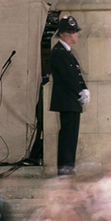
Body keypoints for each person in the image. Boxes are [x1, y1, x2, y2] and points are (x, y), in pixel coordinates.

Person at [46, 16, 89, 174]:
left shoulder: (67, 52)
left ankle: (69, 167)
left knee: (71, 136)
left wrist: (84, 88)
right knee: (67, 136)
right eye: (71, 32)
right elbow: (67, 76)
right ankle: (65, 169)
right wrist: (79, 91)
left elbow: (76, 74)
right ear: (63, 34)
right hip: (67, 100)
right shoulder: (59, 52)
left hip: (71, 100)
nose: (75, 35)